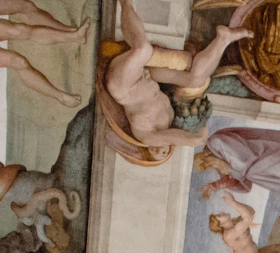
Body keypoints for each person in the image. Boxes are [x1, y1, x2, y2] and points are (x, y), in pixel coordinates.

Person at [104, 0, 249, 157]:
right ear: (172, 146)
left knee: (143, 50)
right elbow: (197, 139)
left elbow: (195, 140)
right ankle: (223, 39)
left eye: (155, 153)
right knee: (196, 80)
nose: (158, 149)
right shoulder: (169, 121)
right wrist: (202, 119)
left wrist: (197, 137)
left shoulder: (147, 136)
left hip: (125, 87)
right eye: (164, 152)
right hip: (147, 77)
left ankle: (125, 3)